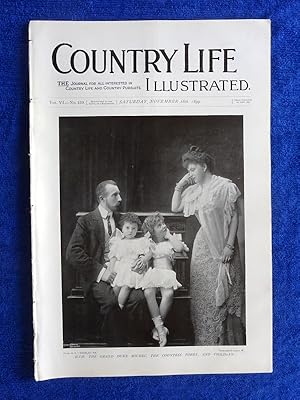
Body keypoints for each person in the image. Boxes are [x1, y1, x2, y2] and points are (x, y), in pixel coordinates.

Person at [171, 146, 245, 346]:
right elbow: (175, 207)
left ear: (204, 166)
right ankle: (206, 343)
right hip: (203, 248)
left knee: (227, 298)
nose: (190, 174)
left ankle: (226, 345)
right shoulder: (194, 191)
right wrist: (181, 184)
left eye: (192, 169)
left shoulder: (225, 186)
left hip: (224, 245)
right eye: (188, 171)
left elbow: (235, 216)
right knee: (204, 298)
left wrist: (230, 245)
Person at [66, 180, 148, 346]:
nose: (120, 199)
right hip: (99, 275)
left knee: (139, 298)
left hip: (124, 272)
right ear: (102, 198)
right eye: (115, 195)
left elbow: (138, 244)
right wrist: (103, 273)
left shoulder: (122, 220)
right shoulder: (86, 221)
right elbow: (72, 253)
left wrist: (143, 259)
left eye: (119, 194)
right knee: (111, 302)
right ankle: (115, 350)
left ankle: (134, 347)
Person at [140, 213, 187, 347]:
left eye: (163, 223)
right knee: (148, 292)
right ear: (152, 231)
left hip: (166, 273)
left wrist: (169, 236)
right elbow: (147, 258)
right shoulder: (151, 244)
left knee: (168, 294)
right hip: (154, 272)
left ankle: (158, 328)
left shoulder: (170, 241)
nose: (164, 226)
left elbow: (179, 248)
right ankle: (161, 329)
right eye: (159, 225)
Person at [108, 212, 152, 310]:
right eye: (127, 228)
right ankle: (111, 307)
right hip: (120, 268)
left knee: (126, 286)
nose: (130, 231)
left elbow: (150, 252)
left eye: (134, 228)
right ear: (122, 228)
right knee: (115, 287)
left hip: (132, 268)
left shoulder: (140, 241)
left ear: (137, 230)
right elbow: (113, 257)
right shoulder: (118, 242)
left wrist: (144, 259)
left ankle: (119, 309)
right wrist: (110, 271)